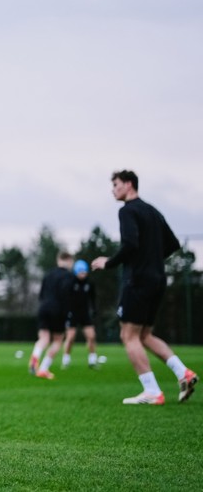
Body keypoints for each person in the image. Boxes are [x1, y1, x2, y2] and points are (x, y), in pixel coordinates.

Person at [92, 170, 197, 405]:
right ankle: (184, 373)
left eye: (116, 184)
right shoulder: (151, 210)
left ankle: (152, 391)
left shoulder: (127, 210)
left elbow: (130, 244)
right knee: (145, 335)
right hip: (158, 279)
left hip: (138, 281)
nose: (113, 189)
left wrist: (108, 262)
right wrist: (151, 259)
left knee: (128, 335)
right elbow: (173, 243)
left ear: (129, 185)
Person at [28, 251, 75, 380]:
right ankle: (43, 368)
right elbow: (68, 296)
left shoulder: (48, 275)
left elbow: (41, 294)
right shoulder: (69, 276)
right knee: (58, 340)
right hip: (58, 309)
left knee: (43, 338)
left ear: (58, 260)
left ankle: (35, 358)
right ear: (69, 261)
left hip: (43, 307)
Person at [62, 259, 99, 369]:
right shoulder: (70, 283)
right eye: (80, 272)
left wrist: (94, 310)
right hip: (72, 313)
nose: (83, 274)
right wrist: (66, 312)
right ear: (76, 272)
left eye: (84, 272)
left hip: (84, 313)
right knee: (71, 337)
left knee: (91, 336)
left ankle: (92, 360)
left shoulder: (89, 283)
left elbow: (93, 298)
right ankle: (66, 359)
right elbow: (65, 299)